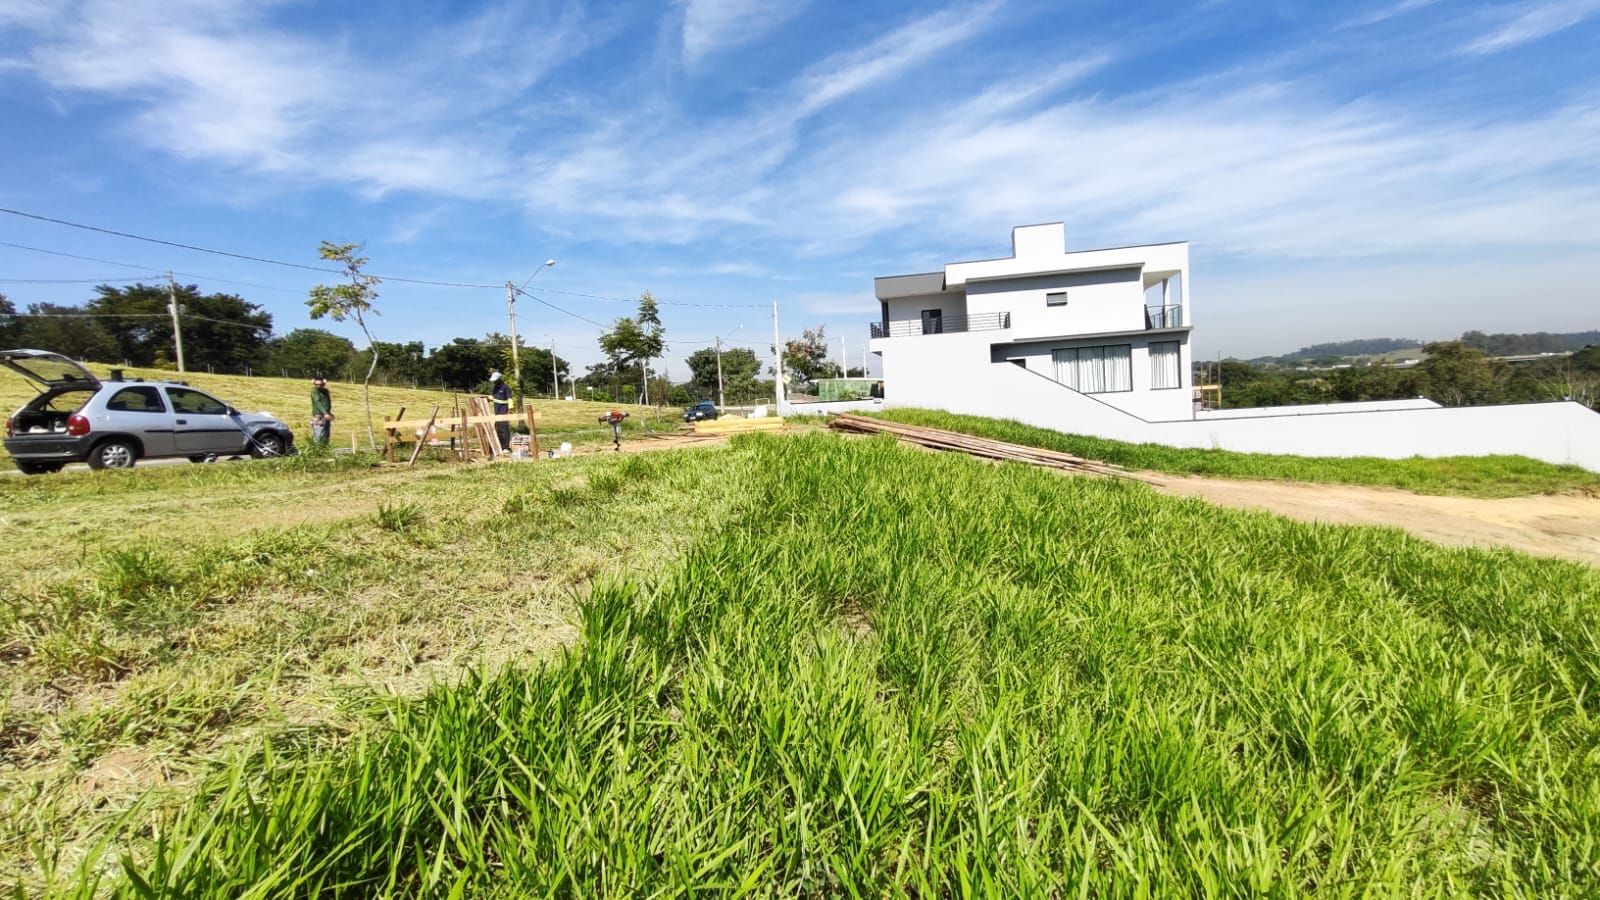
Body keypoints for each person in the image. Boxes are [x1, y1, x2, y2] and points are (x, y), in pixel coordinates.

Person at [489, 370, 512, 453]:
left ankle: (506, 446)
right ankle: (500, 445)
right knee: (498, 428)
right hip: (497, 411)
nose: (494, 382)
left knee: (504, 428)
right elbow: (494, 397)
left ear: (499, 379)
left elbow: (510, 399)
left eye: (495, 380)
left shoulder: (506, 387)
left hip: (504, 411)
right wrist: (489, 399)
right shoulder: (495, 387)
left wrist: (509, 411)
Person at [310, 377, 333, 446]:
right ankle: (317, 451)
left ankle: (324, 451)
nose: (318, 386)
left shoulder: (326, 391)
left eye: (320, 384)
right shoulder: (314, 391)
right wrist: (325, 413)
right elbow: (318, 402)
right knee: (319, 435)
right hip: (319, 416)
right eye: (316, 384)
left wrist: (329, 413)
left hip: (326, 415)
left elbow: (327, 402)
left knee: (326, 434)